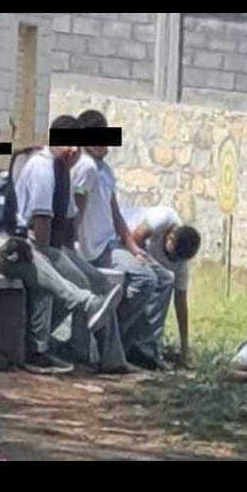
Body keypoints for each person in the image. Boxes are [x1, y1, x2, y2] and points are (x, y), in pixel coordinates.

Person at [0, 114, 122, 374]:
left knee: (37, 261)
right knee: (35, 261)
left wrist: (1, 242)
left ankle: (86, 317)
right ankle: (80, 309)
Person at [9, 115, 135, 374]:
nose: (73, 150)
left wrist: (71, 255)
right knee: (78, 282)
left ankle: (112, 360)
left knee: (102, 284)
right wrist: (48, 260)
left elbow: (68, 222)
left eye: (77, 145)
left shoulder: (63, 170)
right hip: (32, 244)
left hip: (57, 246)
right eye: (68, 144)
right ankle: (51, 348)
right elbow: (41, 221)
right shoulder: (43, 168)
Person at [72, 110, 167, 371]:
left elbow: (115, 214)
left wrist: (134, 248)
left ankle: (142, 346)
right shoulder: (85, 169)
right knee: (145, 280)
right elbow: (78, 207)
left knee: (164, 278)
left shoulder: (104, 170)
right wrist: (73, 246)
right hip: (96, 248)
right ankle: (107, 337)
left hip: (112, 243)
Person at [124, 205, 200, 370]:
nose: (174, 260)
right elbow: (136, 236)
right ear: (170, 237)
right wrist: (146, 264)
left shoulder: (181, 265)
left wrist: (184, 347)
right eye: (172, 255)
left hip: (145, 271)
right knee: (164, 278)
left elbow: (180, 303)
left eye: (178, 258)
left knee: (163, 279)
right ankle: (142, 346)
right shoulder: (164, 218)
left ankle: (145, 346)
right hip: (125, 244)